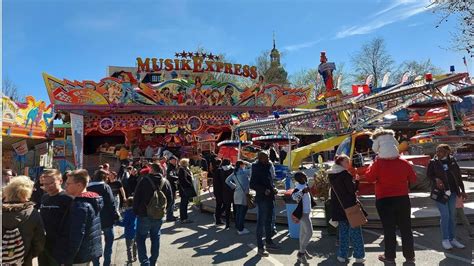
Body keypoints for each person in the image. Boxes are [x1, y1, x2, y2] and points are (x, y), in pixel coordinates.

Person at [366, 128, 417, 264]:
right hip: (402, 198)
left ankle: (390, 256)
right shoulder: (404, 163)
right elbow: (413, 178)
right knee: (406, 228)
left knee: (389, 230)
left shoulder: (377, 164)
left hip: (384, 199)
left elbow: (369, 178)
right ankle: (410, 256)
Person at [427, 144, 467, 249]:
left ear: (447, 152)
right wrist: (436, 179)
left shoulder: (452, 161)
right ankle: (445, 239)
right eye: (437, 150)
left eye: (440, 151)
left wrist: (462, 190)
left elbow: (458, 177)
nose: (437, 153)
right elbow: (429, 175)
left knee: (452, 217)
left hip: (453, 192)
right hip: (440, 193)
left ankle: (452, 239)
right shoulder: (433, 162)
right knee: (445, 216)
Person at [59, 169, 103, 265]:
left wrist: (68, 259)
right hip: (88, 252)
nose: (65, 186)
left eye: (68, 184)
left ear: (79, 185)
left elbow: (76, 235)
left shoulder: (80, 206)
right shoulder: (91, 200)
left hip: (78, 257)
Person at [133, 163, 173, 265]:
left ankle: (145, 262)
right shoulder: (166, 182)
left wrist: (136, 212)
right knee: (155, 238)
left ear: (151, 170)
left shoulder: (144, 181)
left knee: (141, 238)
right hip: (158, 215)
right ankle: (153, 261)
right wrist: (164, 210)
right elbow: (171, 199)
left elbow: (136, 197)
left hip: (144, 214)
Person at [328, 155, 365, 264]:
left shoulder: (331, 175)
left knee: (343, 233)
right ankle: (359, 257)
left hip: (339, 208)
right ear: (341, 162)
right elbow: (351, 190)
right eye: (347, 162)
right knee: (356, 233)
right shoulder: (345, 175)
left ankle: (342, 255)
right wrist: (357, 182)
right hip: (350, 207)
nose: (349, 164)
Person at [2, 176, 46, 266]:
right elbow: (39, 241)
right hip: (24, 260)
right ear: (26, 193)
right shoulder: (32, 213)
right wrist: (30, 255)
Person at [38, 169, 74, 266]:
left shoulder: (68, 199)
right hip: (44, 247)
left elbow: (72, 226)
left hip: (60, 248)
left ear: (61, 181)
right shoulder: (44, 197)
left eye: (51, 183)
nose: (47, 186)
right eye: (45, 184)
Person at [250, 152, 280, 256]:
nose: (268, 159)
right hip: (262, 198)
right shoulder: (256, 167)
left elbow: (269, 181)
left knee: (269, 221)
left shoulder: (268, 165)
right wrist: (264, 190)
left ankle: (269, 242)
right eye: (265, 158)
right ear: (260, 158)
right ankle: (260, 247)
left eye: (268, 157)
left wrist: (273, 188)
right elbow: (252, 184)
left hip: (270, 197)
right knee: (261, 222)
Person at [87, 169, 118, 266]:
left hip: (92, 220)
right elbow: (111, 203)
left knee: (95, 244)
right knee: (109, 240)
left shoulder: (88, 187)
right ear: (105, 178)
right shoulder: (105, 187)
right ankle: (107, 262)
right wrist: (115, 216)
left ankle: (96, 263)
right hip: (106, 219)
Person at [290, 172, 315, 264]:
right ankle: (301, 253)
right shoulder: (298, 188)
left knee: (303, 233)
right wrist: (303, 192)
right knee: (309, 233)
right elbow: (294, 197)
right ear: (300, 179)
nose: (306, 176)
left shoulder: (305, 184)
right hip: (303, 214)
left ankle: (303, 251)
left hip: (307, 212)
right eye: (304, 176)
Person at [225, 160, 251, 235]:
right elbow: (252, 167)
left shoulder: (234, 173)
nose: (244, 166)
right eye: (243, 164)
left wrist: (234, 186)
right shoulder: (244, 172)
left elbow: (227, 181)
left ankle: (238, 226)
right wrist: (248, 163)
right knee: (242, 212)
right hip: (243, 194)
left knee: (238, 212)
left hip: (236, 193)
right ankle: (241, 228)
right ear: (241, 165)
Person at [215, 159, 235, 229]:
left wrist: (217, 192)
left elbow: (216, 183)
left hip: (222, 191)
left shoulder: (219, 170)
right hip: (232, 191)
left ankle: (226, 223)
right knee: (234, 207)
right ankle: (234, 221)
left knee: (226, 207)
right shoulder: (232, 170)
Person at [118, 197, 138, 263]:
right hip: (136, 231)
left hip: (129, 232)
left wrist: (117, 222)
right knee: (135, 244)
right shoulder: (136, 211)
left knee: (129, 247)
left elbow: (124, 223)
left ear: (127, 204)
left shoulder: (127, 213)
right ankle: (135, 256)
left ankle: (130, 259)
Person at [178, 158, 196, 224]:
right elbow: (184, 180)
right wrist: (190, 185)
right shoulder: (182, 169)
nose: (188, 163)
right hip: (184, 189)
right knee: (184, 204)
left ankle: (184, 218)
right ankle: (184, 219)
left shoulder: (184, 169)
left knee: (184, 204)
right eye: (187, 162)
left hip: (184, 189)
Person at [166, 156, 179, 222]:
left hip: (173, 186)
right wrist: (178, 178)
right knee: (171, 202)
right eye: (174, 160)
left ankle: (171, 215)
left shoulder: (173, 167)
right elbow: (170, 176)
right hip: (171, 186)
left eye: (176, 160)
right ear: (170, 160)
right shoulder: (170, 167)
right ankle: (169, 217)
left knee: (172, 202)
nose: (175, 161)